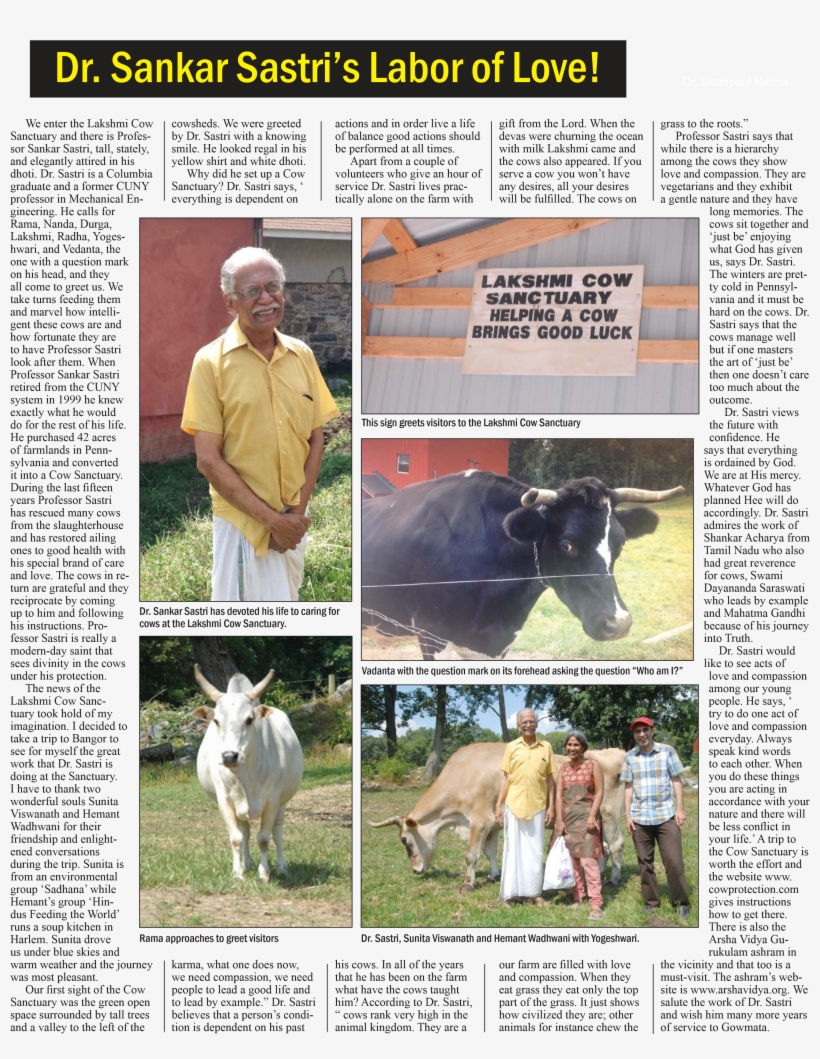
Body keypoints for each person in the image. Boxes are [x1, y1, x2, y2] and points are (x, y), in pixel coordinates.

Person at [181, 247, 339, 601]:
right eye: (252, 291)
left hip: (292, 521)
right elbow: (208, 460)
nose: (266, 299)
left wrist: (293, 518)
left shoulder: (302, 355)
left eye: (273, 287)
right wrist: (272, 521)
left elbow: (316, 439)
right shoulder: (210, 363)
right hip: (243, 523)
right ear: (230, 302)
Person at [622, 717, 691, 919]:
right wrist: (627, 815)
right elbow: (628, 787)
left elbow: (676, 779)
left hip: (666, 815)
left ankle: (681, 902)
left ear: (652, 731)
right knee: (645, 863)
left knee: (674, 861)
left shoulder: (667, 751)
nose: (642, 734)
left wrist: (680, 808)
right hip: (640, 817)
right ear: (634, 735)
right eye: (637, 732)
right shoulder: (629, 757)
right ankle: (651, 902)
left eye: (645, 730)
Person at [494, 709, 556, 907]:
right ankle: (511, 894)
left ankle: (534, 893)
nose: (528, 725)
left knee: (535, 851)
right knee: (513, 850)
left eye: (531, 721)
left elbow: (550, 779)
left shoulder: (546, 747)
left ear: (536, 724)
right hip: (514, 805)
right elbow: (506, 778)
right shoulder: (512, 747)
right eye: (524, 722)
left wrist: (551, 807)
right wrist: (498, 805)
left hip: (537, 805)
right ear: (518, 726)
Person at [553, 730, 604, 920]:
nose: (572, 748)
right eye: (569, 744)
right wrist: (559, 820)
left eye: (576, 745)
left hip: (588, 819)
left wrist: (592, 816)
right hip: (568, 820)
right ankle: (578, 896)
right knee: (572, 861)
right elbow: (559, 796)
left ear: (583, 747)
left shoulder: (593, 765)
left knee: (589, 861)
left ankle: (596, 903)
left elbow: (599, 792)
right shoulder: (564, 768)